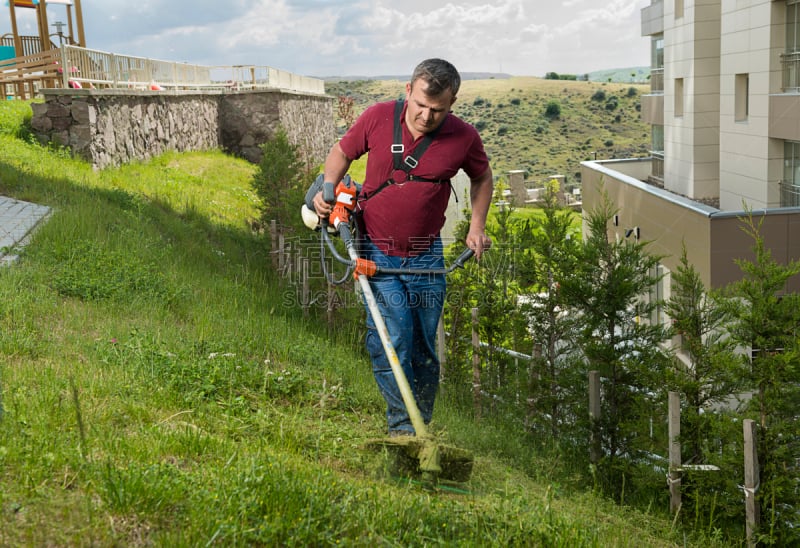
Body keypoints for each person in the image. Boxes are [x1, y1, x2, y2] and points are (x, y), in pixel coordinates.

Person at [312, 58, 493, 437]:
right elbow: (341, 154)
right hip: (375, 251)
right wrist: (329, 187)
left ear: (452, 102)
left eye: (438, 110)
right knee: (391, 339)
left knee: (425, 348)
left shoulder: (464, 137)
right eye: (421, 106)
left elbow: (482, 177)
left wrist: (477, 227)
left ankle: (420, 422)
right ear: (408, 91)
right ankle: (402, 429)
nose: (427, 117)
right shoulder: (378, 117)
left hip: (426, 256)